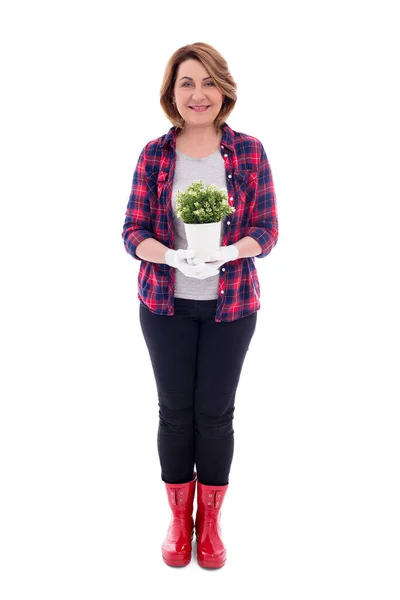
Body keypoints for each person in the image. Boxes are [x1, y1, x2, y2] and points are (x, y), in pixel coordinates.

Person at [121, 42, 279, 569]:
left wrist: (231, 251)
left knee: (215, 416)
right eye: (187, 82)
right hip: (164, 305)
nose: (198, 93)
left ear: (223, 90)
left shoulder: (249, 151)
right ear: (172, 92)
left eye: (208, 81)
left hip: (231, 306)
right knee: (174, 414)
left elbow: (267, 229)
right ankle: (177, 517)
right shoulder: (155, 154)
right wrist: (171, 257)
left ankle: (209, 523)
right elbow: (132, 231)